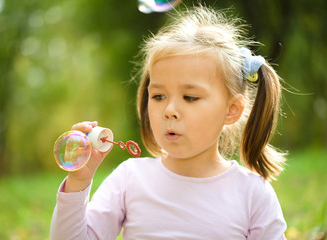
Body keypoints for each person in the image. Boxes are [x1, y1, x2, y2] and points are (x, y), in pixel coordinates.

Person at [50, 5, 287, 240]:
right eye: (159, 96)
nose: (169, 110)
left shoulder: (253, 194)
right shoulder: (130, 180)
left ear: (231, 110)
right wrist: (79, 182)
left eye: (190, 97)